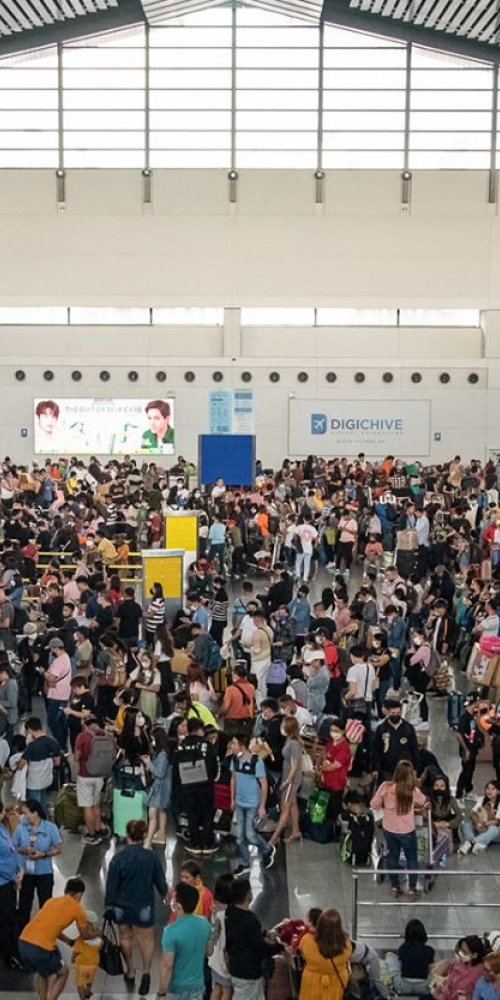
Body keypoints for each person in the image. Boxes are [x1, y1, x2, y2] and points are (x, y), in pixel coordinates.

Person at [105, 819, 168, 996]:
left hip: (121, 905)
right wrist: (164, 894)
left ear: (127, 836)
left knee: (125, 937)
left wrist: (109, 904)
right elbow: (160, 881)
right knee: (146, 940)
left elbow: (111, 885)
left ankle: (130, 970)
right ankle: (146, 971)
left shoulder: (118, 859)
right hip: (143, 904)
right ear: (143, 835)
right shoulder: (150, 857)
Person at [19, 876, 96, 1000]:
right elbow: (86, 935)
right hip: (41, 947)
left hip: (24, 942)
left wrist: (69, 941)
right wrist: (97, 934)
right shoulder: (77, 908)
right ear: (79, 895)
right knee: (63, 973)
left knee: (42, 972)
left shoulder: (51, 902)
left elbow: (51, 927)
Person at [370, 760, 427, 899]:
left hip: (389, 829)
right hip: (407, 831)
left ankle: (395, 886)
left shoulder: (385, 787)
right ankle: (412, 889)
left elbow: (374, 804)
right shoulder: (412, 791)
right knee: (412, 858)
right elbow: (424, 801)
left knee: (392, 856)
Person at [225, 877, 284, 1000]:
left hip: (235, 969)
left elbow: (242, 934)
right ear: (248, 895)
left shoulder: (229, 913)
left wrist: (263, 933)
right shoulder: (249, 920)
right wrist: (280, 947)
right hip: (249, 973)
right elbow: (261, 948)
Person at [12, 799, 63, 931]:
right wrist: (24, 849)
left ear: (36, 813)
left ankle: (46, 931)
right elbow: (13, 847)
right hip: (27, 873)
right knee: (24, 905)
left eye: (27, 813)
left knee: (46, 904)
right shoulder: (20, 828)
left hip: (44, 872)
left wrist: (43, 854)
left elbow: (58, 848)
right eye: (23, 813)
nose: (25, 816)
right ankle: (22, 933)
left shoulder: (50, 828)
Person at [230, 733, 276, 875]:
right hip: (239, 802)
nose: (232, 746)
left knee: (249, 834)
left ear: (242, 747)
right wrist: (232, 799)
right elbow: (233, 779)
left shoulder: (257, 762)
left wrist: (262, 806)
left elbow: (264, 784)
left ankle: (267, 849)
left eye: (234, 743)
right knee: (240, 836)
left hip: (252, 803)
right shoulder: (235, 761)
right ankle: (245, 862)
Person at [157, 881, 212, 1000]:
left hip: (176, 989)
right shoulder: (204, 923)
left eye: (173, 899)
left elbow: (167, 965)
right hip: (197, 986)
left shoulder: (170, 931)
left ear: (178, 906)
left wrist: (162, 993)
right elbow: (209, 951)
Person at [173, 716, 218, 856]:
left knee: (191, 815)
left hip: (187, 786)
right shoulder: (206, 745)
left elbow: (175, 768)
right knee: (207, 814)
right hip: (205, 786)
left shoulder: (181, 746)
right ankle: (207, 842)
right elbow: (214, 766)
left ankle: (195, 842)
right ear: (199, 729)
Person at [299, 907, 352, 1000]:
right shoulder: (346, 945)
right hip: (336, 984)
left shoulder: (307, 941)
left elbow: (302, 954)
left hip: (312, 983)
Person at [75, 716, 112, 846]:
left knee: (87, 807)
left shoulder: (82, 736)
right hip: (100, 776)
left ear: (86, 724)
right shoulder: (105, 735)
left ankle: (92, 835)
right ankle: (98, 828)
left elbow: (77, 756)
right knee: (96, 805)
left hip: (85, 776)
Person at [269, 716, 303, 847]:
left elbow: (295, 764)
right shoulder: (290, 740)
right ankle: (296, 831)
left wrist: (288, 780)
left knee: (285, 807)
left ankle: (274, 837)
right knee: (293, 804)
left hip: (291, 779)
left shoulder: (294, 744)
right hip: (289, 777)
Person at [0, 799, 24, 970]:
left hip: (9, 880)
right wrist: (13, 875)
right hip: (3, 882)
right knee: (7, 920)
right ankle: (10, 955)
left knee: (9, 918)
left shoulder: (2, 829)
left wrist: (20, 868)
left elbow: (11, 849)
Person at [371, 698, 419, 783]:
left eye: (398, 713)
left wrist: (415, 768)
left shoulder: (408, 728)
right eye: (393, 713)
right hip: (387, 769)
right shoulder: (381, 729)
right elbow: (376, 749)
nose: (395, 715)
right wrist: (374, 768)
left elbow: (414, 748)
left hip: (405, 768)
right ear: (388, 712)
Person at [18, 717, 61, 811]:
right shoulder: (53, 742)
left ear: (29, 730)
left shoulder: (32, 746)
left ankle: (35, 823)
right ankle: (43, 820)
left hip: (34, 782)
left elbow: (21, 765)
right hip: (46, 780)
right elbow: (57, 762)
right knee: (42, 802)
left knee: (33, 807)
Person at [385, 919, 435, 996]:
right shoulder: (429, 950)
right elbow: (430, 969)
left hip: (402, 987)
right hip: (424, 987)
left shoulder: (403, 949)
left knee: (389, 955)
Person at [320, 719, 352, 837]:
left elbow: (336, 765)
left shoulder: (344, 747)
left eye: (336, 731)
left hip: (337, 783)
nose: (333, 733)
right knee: (327, 808)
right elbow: (324, 755)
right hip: (327, 781)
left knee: (335, 808)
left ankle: (337, 831)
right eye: (332, 730)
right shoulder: (330, 743)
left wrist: (321, 769)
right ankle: (328, 830)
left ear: (343, 731)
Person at [144, 725, 172, 849]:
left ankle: (148, 841)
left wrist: (148, 763)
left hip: (159, 788)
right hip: (164, 788)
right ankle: (161, 835)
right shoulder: (165, 753)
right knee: (161, 811)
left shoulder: (162, 755)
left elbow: (159, 773)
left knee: (152, 814)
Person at [207, 874, 234, 1000]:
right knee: (227, 992)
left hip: (214, 959)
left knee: (217, 987)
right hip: (224, 961)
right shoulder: (227, 915)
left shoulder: (215, 909)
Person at [44, 637, 72, 750]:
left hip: (57, 695)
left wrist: (44, 673)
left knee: (53, 721)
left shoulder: (59, 661)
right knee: (61, 721)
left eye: (52, 649)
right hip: (63, 694)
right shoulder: (66, 657)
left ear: (56, 648)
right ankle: (63, 746)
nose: (51, 651)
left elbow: (52, 678)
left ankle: (60, 745)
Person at [459, 779, 500, 855]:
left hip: (494, 832)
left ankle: (472, 842)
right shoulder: (482, 799)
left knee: (493, 829)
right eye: (488, 788)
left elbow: (497, 821)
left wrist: (484, 824)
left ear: (498, 791)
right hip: (481, 828)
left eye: (493, 789)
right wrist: (477, 823)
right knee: (465, 824)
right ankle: (477, 842)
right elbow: (472, 814)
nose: (489, 791)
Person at [456, 693, 484, 801]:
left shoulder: (473, 716)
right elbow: (459, 735)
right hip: (467, 749)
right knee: (466, 771)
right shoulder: (464, 717)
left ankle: (468, 791)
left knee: (471, 770)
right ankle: (459, 795)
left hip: (472, 748)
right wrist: (466, 750)